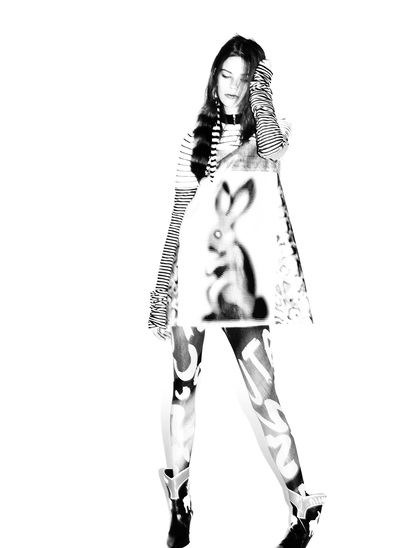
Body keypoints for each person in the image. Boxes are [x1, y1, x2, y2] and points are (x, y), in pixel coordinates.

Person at [148, 35, 326, 548]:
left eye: (244, 77)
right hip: (193, 277)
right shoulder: (194, 139)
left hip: (243, 285)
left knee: (264, 393)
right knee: (183, 388)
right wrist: (162, 287)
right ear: (214, 78)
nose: (232, 86)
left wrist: (263, 92)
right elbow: (179, 217)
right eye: (225, 75)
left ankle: (303, 507)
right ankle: (180, 503)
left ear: (256, 84)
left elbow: (272, 150)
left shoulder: (267, 133)